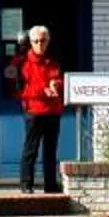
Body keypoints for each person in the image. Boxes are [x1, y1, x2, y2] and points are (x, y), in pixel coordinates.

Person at [9, 24, 68, 192]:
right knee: (31, 150)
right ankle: (26, 184)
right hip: (34, 111)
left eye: (43, 41)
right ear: (31, 42)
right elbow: (21, 90)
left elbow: (60, 80)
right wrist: (43, 90)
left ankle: (50, 185)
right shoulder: (22, 63)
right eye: (36, 41)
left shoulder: (53, 62)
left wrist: (57, 85)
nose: (40, 44)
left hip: (52, 111)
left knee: (50, 151)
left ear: (48, 41)